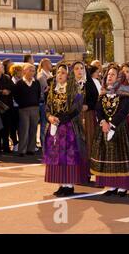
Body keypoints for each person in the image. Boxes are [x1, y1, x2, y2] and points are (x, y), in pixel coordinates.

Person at [90, 64, 129, 197]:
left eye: (113, 74)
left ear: (119, 77)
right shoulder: (103, 91)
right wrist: (103, 122)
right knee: (107, 156)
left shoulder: (125, 91)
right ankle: (111, 185)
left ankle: (122, 186)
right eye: (108, 74)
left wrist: (112, 124)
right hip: (105, 127)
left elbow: (124, 110)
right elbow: (98, 109)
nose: (109, 77)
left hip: (119, 127)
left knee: (120, 155)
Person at [44, 63, 89, 197]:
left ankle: (69, 185)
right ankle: (61, 184)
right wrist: (50, 117)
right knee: (57, 156)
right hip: (56, 128)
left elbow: (76, 109)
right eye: (58, 73)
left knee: (69, 156)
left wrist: (62, 119)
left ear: (68, 75)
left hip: (69, 127)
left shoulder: (75, 90)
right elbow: (47, 108)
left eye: (63, 72)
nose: (60, 75)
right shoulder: (53, 90)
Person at [13, 63, 41, 157]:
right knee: (24, 129)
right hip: (23, 109)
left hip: (35, 108)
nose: (32, 72)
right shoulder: (19, 83)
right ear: (24, 71)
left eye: (33, 71)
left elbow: (38, 94)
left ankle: (31, 149)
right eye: (30, 70)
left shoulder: (36, 82)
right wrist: (22, 103)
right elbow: (16, 96)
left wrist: (35, 103)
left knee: (33, 129)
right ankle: (22, 150)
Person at [37, 58, 53, 150]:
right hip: (44, 102)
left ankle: (48, 143)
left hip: (48, 102)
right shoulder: (41, 76)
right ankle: (44, 144)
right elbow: (47, 88)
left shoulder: (48, 74)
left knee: (48, 124)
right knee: (44, 124)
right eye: (50, 63)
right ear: (46, 64)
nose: (51, 65)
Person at [9, 64, 23, 151]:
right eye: (20, 71)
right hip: (14, 107)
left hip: (20, 106)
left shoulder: (21, 81)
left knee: (20, 126)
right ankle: (15, 143)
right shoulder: (13, 82)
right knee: (13, 126)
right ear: (16, 72)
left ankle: (20, 143)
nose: (22, 72)